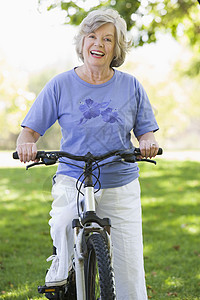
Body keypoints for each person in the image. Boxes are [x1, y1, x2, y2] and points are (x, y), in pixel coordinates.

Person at [16, 8, 159, 300]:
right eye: (92, 36)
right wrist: (26, 144)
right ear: (82, 43)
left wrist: (148, 142)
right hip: (73, 175)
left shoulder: (131, 86)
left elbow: (147, 131)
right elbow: (28, 131)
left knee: (129, 265)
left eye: (108, 39)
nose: (99, 44)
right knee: (63, 221)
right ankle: (62, 270)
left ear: (116, 48)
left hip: (121, 179)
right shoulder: (60, 84)